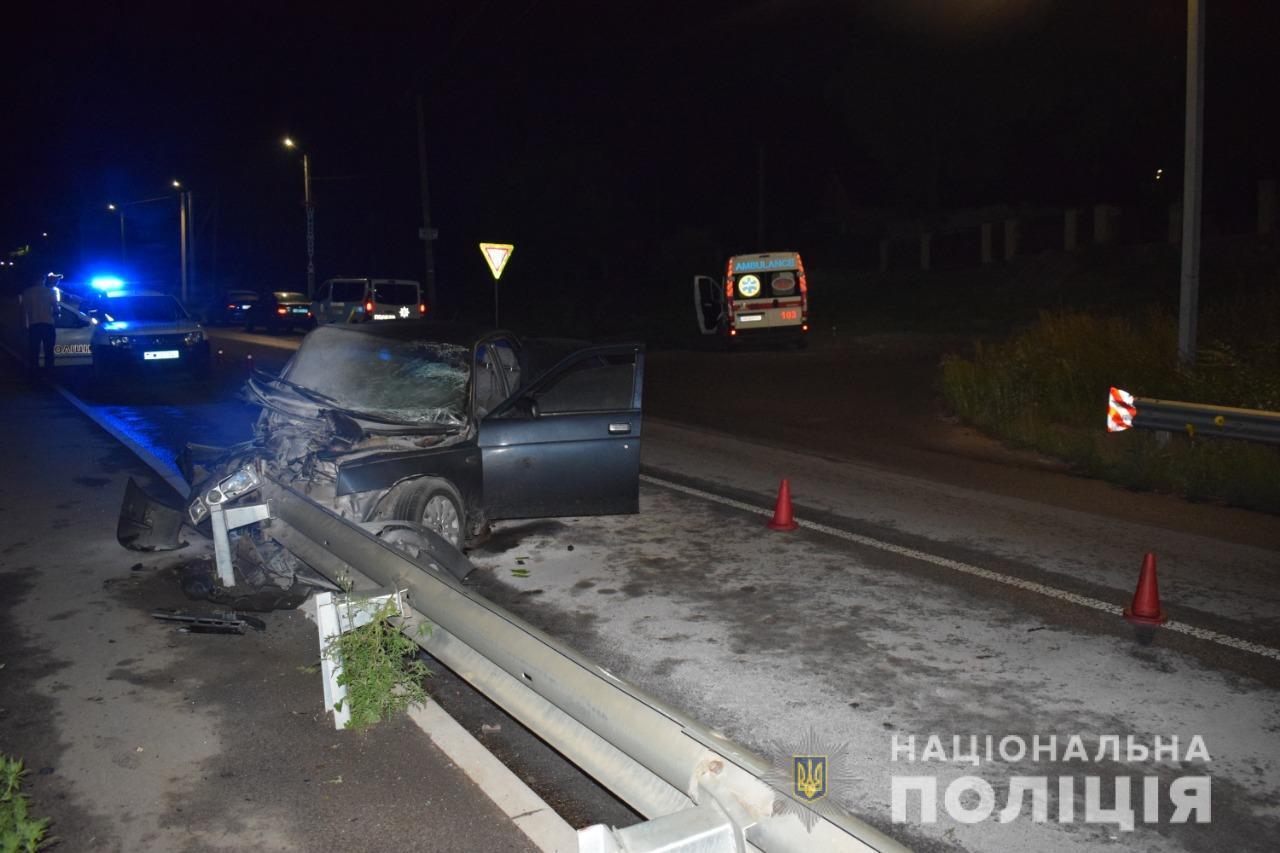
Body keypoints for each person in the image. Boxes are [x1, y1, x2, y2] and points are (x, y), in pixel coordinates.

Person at [21, 273, 60, 379]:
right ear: (43, 280)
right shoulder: (50, 292)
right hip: (48, 325)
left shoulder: (27, 292)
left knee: (34, 352)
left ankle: (33, 375)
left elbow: (24, 311)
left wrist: (26, 326)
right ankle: (49, 374)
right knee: (49, 352)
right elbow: (56, 309)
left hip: (34, 325)